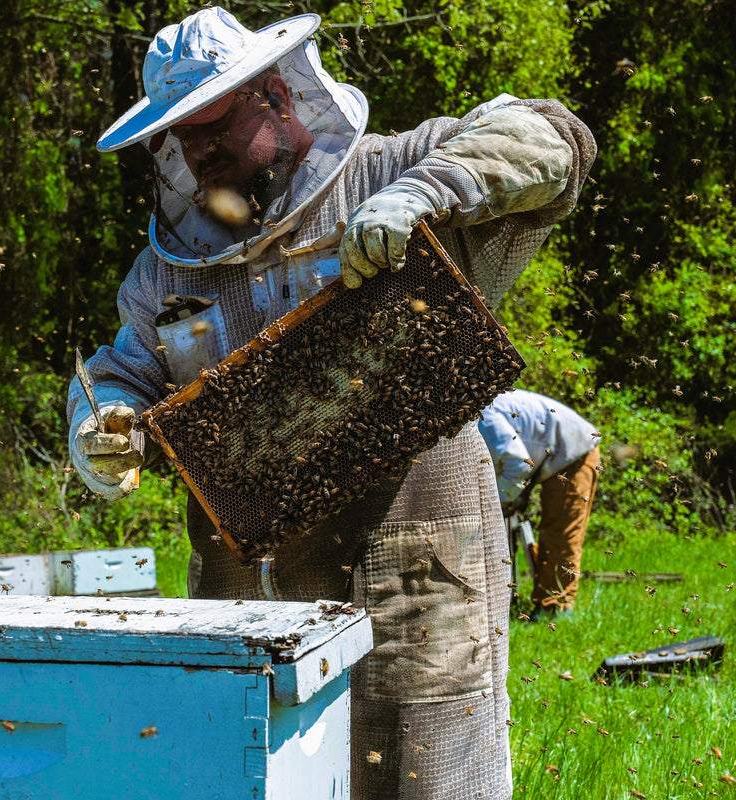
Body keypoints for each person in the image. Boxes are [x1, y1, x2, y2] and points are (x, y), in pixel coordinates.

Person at [67, 7, 595, 798]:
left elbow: (557, 139)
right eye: (180, 139)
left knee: (428, 778)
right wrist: (101, 424)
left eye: (213, 126)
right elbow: (123, 376)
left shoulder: (388, 170)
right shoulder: (163, 272)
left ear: (277, 95)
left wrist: (424, 194)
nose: (198, 153)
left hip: (417, 580)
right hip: (246, 599)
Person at [478, 389, 602, 618]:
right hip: (550, 452)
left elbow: (519, 464)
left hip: (575, 450)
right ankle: (542, 601)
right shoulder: (477, 416)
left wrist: (501, 500)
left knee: (561, 532)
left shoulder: (484, 417)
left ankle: (556, 608)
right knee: (549, 529)